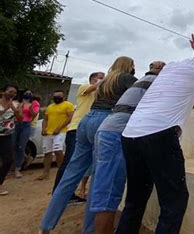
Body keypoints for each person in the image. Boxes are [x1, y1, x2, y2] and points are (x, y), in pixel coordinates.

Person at [117, 34, 194, 234]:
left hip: (130, 133)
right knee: (174, 201)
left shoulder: (172, 67)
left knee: (135, 199)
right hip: (158, 134)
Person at [39, 56, 136, 234]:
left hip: (87, 121)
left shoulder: (104, 81)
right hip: (107, 121)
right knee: (100, 177)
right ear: (129, 67)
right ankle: (90, 229)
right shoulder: (126, 79)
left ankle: (46, 225)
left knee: (70, 174)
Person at [91, 61, 165, 234]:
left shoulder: (140, 83)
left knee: (105, 189)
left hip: (107, 130)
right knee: (108, 194)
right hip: (116, 135)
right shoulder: (153, 83)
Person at [52, 72, 105, 205]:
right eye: (100, 77)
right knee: (70, 162)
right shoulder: (84, 88)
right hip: (76, 129)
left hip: (89, 129)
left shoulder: (100, 95)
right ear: (93, 79)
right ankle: (60, 195)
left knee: (80, 163)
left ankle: (67, 194)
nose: (103, 80)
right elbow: (93, 88)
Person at [36, 90, 74, 181]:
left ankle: (61, 171)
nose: (56, 98)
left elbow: (70, 118)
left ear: (63, 97)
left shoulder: (68, 105)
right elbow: (45, 119)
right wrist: (43, 129)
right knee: (47, 152)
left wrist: (59, 128)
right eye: (55, 96)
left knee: (58, 150)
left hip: (61, 132)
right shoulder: (50, 107)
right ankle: (45, 173)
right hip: (49, 132)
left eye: (59, 96)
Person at [13, 90, 40, 178]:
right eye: (26, 93)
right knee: (13, 145)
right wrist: (20, 106)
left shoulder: (34, 103)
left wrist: (30, 107)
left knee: (21, 146)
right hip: (16, 124)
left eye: (30, 93)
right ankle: (27, 158)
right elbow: (15, 113)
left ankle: (17, 168)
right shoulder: (17, 102)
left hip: (26, 125)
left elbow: (34, 115)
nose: (28, 95)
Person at [0, 85, 21, 195]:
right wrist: (7, 109)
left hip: (7, 135)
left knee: (8, 160)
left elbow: (20, 118)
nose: (12, 94)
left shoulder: (16, 104)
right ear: (3, 92)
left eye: (14, 92)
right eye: (10, 91)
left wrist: (15, 110)